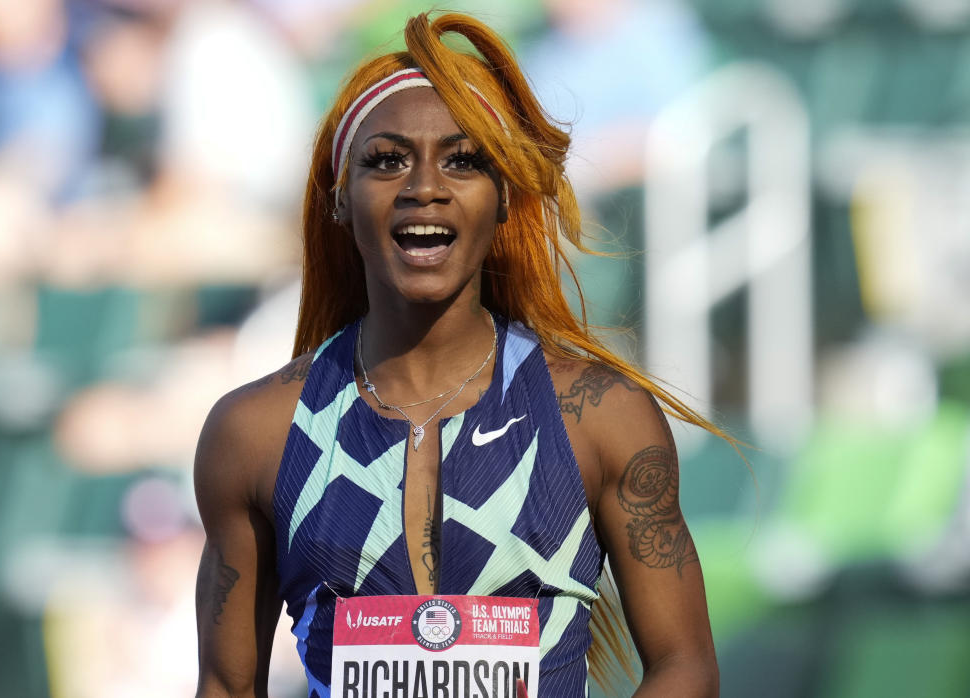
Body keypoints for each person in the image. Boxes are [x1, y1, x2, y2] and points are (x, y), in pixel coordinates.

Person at [194, 12, 720, 697]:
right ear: (338, 200)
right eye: (385, 160)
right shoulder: (254, 433)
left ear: (504, 198)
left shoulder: (601, 417)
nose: (424, 186)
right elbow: (227, 687)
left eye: (463, 160)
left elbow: (684, 667)